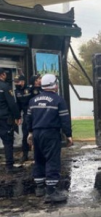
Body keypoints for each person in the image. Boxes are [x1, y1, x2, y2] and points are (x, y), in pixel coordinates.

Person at [27, 74, 73, 202]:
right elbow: (64, 120)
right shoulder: (59, 100)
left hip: (36, 133)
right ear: (53, 85)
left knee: (39, 158)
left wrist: (30, 133)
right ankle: (51, 191)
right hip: (51, 134)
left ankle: (39, 188)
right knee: (52, 160)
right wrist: (68, 135)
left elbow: (28, 119)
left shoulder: (33, 100)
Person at [0, 68, 21, 173]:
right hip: (4, 119)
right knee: (8, 142)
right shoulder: (5, 87)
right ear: (3, 75)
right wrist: (18, 116)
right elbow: (12, 104)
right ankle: (9, 166)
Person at [14, 74, 32, 162]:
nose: (17, 83)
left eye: (18, 82)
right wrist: (18, 116)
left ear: (23, 81)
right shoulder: (16, 91)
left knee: (35, 135)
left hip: (34, 115)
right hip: (25, 115)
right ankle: (25, 155)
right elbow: (18, 105)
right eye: (15, 82)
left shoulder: (30, 89)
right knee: (25, 135)